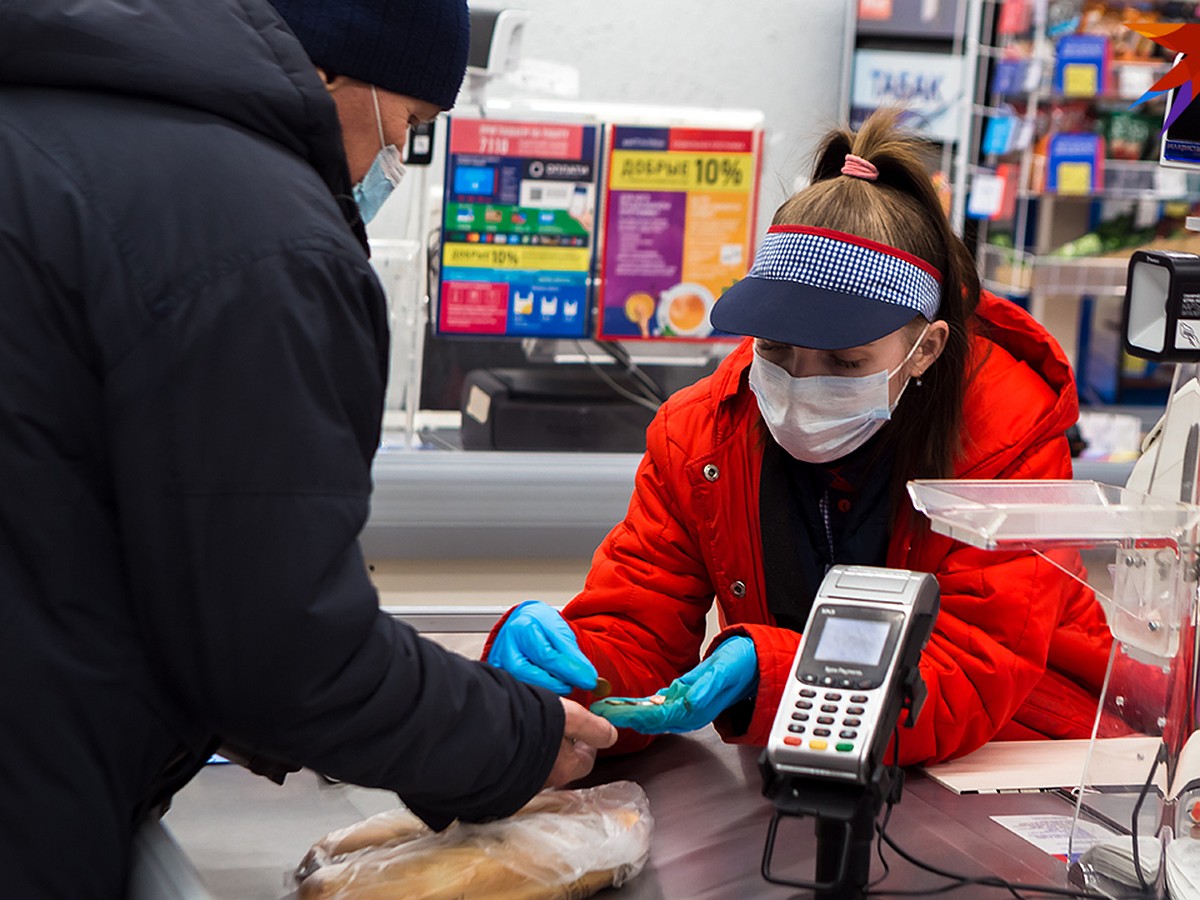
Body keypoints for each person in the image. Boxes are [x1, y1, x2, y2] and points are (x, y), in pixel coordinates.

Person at [0, 1, 615, 896]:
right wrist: (511, 736)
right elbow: (282, 646)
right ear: (336, 72)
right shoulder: (257, 232)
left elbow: (110, 537)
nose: (392, 164)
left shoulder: (51, 129)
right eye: (408, 126)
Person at [486, 109, 1121, 762]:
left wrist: (771, 670)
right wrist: (565, 680)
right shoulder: (698, 438)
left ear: (926, 349)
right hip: (813, 757)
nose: (799, 384)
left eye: (845, 363)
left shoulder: (1008, 439)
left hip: (1026, 757)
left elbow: (973, 668)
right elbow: (639, 631)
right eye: (777, 350)